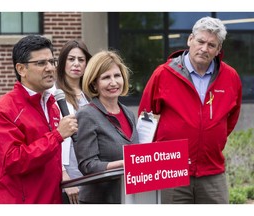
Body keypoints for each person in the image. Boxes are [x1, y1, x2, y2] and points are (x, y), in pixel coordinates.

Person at [138, 16, 242, 204]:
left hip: (212, 171)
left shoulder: (231, 77)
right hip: (171, 169)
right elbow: (145, 119)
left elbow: (231, 119)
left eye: (211, 45)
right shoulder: (163, 74)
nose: (204, 48)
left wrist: (211, 139)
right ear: (190, 40)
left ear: (218, 50)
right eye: (200, 41)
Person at [0, 35, 78, 204]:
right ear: (21, 69)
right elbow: (14, 161)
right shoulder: (3, 109)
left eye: (52, 61)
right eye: (41, 63)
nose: (50, 68)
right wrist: (57, 136)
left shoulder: (53, 105)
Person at [73, 50, 139, 204]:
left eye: (117, 76)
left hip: (128, 198)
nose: (113, 82)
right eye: (106, 77)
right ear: (94, 83)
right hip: (99, 201)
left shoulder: (129, 114)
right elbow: (88, 165)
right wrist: (124, 164)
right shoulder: (86, 114)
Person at [54, 39, 92, 204]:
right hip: (68, 171)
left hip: (91, 169)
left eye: (81, 60)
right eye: (71, 59)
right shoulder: (54, 95)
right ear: (63, 62)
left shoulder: (91, 95)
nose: (76, 64)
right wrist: (64, 175)